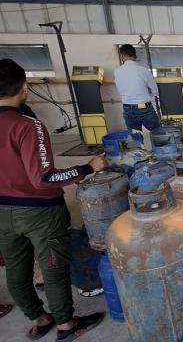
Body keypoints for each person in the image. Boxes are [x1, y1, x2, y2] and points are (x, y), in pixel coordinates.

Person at [0, 59, 106, 341]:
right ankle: (66, 325)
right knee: (53, 267)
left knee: (16, 269)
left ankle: (38, 318)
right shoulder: (28, 126)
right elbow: (44, 177)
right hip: (39, 211)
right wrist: (87, 168)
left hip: (2, 212)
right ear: (24, 88)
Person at [114, 44, 161, 131]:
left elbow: (120, 90)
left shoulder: (117, 71)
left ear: (122, 56)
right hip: (144, 108)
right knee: (157, 133)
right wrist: (148, 94)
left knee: (135, 136)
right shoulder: (143, 70)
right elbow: (155, 90)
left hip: (127, 109)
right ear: (135, 55)